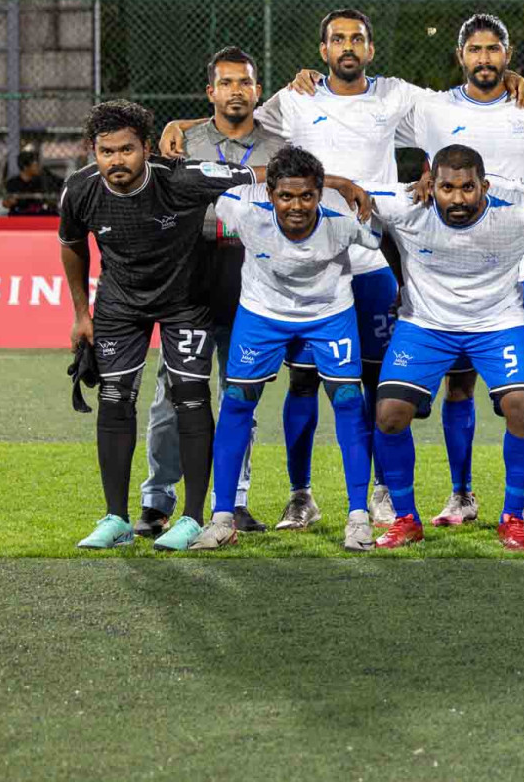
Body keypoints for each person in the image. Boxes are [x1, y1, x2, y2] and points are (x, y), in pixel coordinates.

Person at [160, 9, 524, 530]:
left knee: (379, 386)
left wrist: (510, 80)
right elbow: (235, 117)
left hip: (368, 255)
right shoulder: (295, 98)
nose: (348, 46)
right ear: (323, 50)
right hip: (310, 261)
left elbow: (463, 102)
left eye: (357, 38)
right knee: (304, 384)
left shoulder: (397, 95)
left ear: (371, 49)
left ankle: (381, 492)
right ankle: (301, 494)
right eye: (337, 38)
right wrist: (179, 125)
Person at [370, 14, 524, 531]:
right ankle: (460, 492)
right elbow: (367, 112)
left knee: (522, 397)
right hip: (440, 266)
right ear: (460, 56)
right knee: (456, 390)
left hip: (519, 262)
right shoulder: (431, 107)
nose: (485, 59)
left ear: (508, 54)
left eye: (494, 49)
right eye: (475, 50)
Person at [59, 102, 255, 550]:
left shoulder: (182, 178)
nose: (116, 161)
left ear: (146, 149)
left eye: (126, 150)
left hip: (185, 302)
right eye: (105, 151)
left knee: (190, 399)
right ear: (94, 151)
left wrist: (336, 182)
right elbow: (71, 245)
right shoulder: (79, 189)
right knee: (114, 401)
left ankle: (189, 518)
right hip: (119, 306)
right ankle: (116, 519)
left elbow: (257, 175)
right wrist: (80, 314)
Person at [364, 144, 524, 551]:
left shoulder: (516, 217)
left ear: (484, 186)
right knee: (388, 414)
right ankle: (405, 518)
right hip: (426, 325)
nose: (458, 198)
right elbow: (346, 188)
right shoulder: (407, 207)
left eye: (468, 188)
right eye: (447, 187)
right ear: (429, 184)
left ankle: (513, 518)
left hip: (497, 325)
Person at [188, 146, 380, 553]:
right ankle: (222, 517)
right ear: (270, 194)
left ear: (319, 193)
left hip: (329, 313)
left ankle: (358, 517)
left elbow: (387, 240)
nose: (297, 206)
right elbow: (198, 181)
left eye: (307, 196)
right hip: (262, 312)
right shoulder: (241, 206)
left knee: (348, 400)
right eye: (286, 196)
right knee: (237, 400)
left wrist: (343, 188)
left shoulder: (344, 219)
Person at [136, 46, 286, 540]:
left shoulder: (281, 148)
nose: (235, 91)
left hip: (251, 274)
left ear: (257, 90)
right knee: (170, 394)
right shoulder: (185, 141)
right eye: (226, 83)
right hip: (193, 272)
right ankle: (157, 499)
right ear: (211, 92)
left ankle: (234, 501)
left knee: (239, 393)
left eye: (244, 82)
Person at [2, 149, 64, 215]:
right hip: (20, 216)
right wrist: (9, 202)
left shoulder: (43, 178)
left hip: (39, 214)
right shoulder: (13, 183)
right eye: (35, 165)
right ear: (25, 167)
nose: (38, 167)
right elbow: (6, 203)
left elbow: (60, 183)